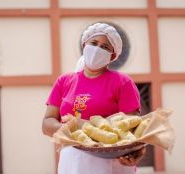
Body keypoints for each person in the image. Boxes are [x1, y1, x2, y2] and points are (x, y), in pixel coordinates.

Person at [42, 22, 146, 174]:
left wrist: (137, 150)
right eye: (94, 43)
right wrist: (74, 129)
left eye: (105, 47)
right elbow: (47, 123)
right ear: (84, 45)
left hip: (111, 161)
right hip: (72, 162)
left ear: (112, 55)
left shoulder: (122, 82)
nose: (98, 49)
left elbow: (133, 125)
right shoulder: (64, 81)